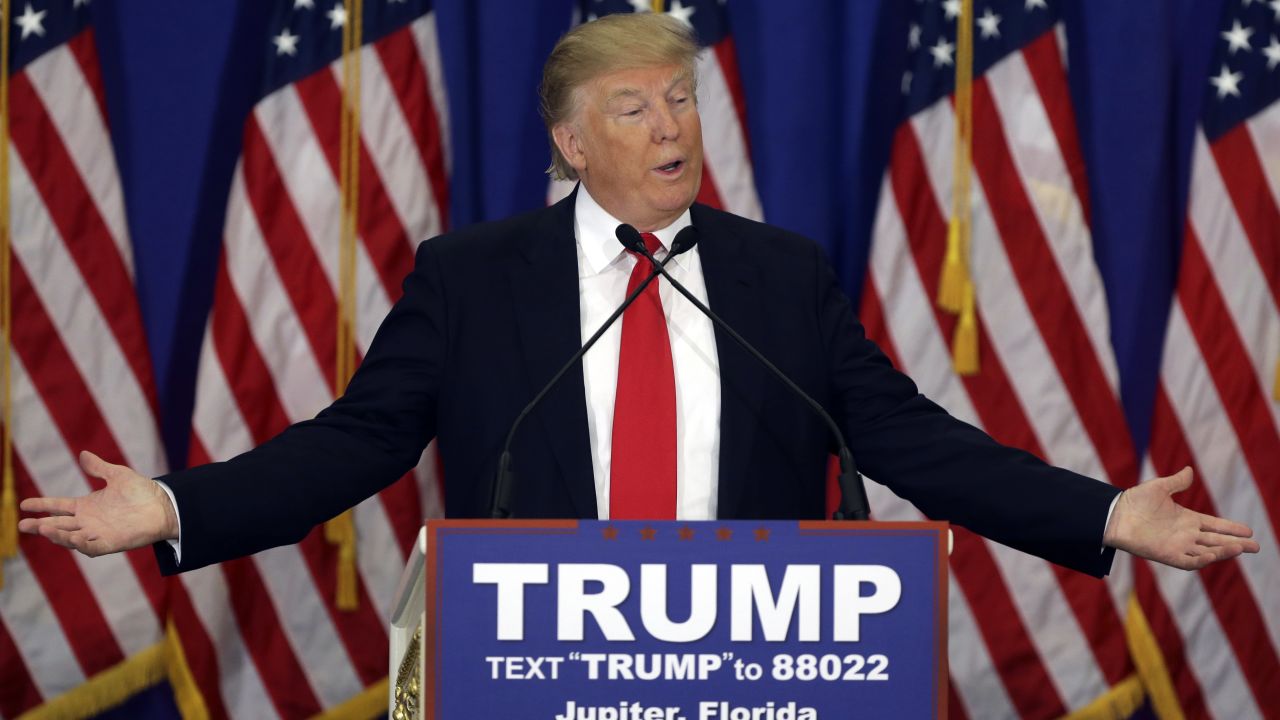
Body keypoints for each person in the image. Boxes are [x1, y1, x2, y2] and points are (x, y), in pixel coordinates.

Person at [19, 13, 1257, 578]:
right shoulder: (473, 278)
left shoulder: (779, 274)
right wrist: (176, 507)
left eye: (680, 99)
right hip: (538, 665)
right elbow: (356, 445)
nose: (670, 128)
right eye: (633, 107)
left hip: (758, 668)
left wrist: (1102, 517)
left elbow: (906, 440)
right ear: (570, 144)